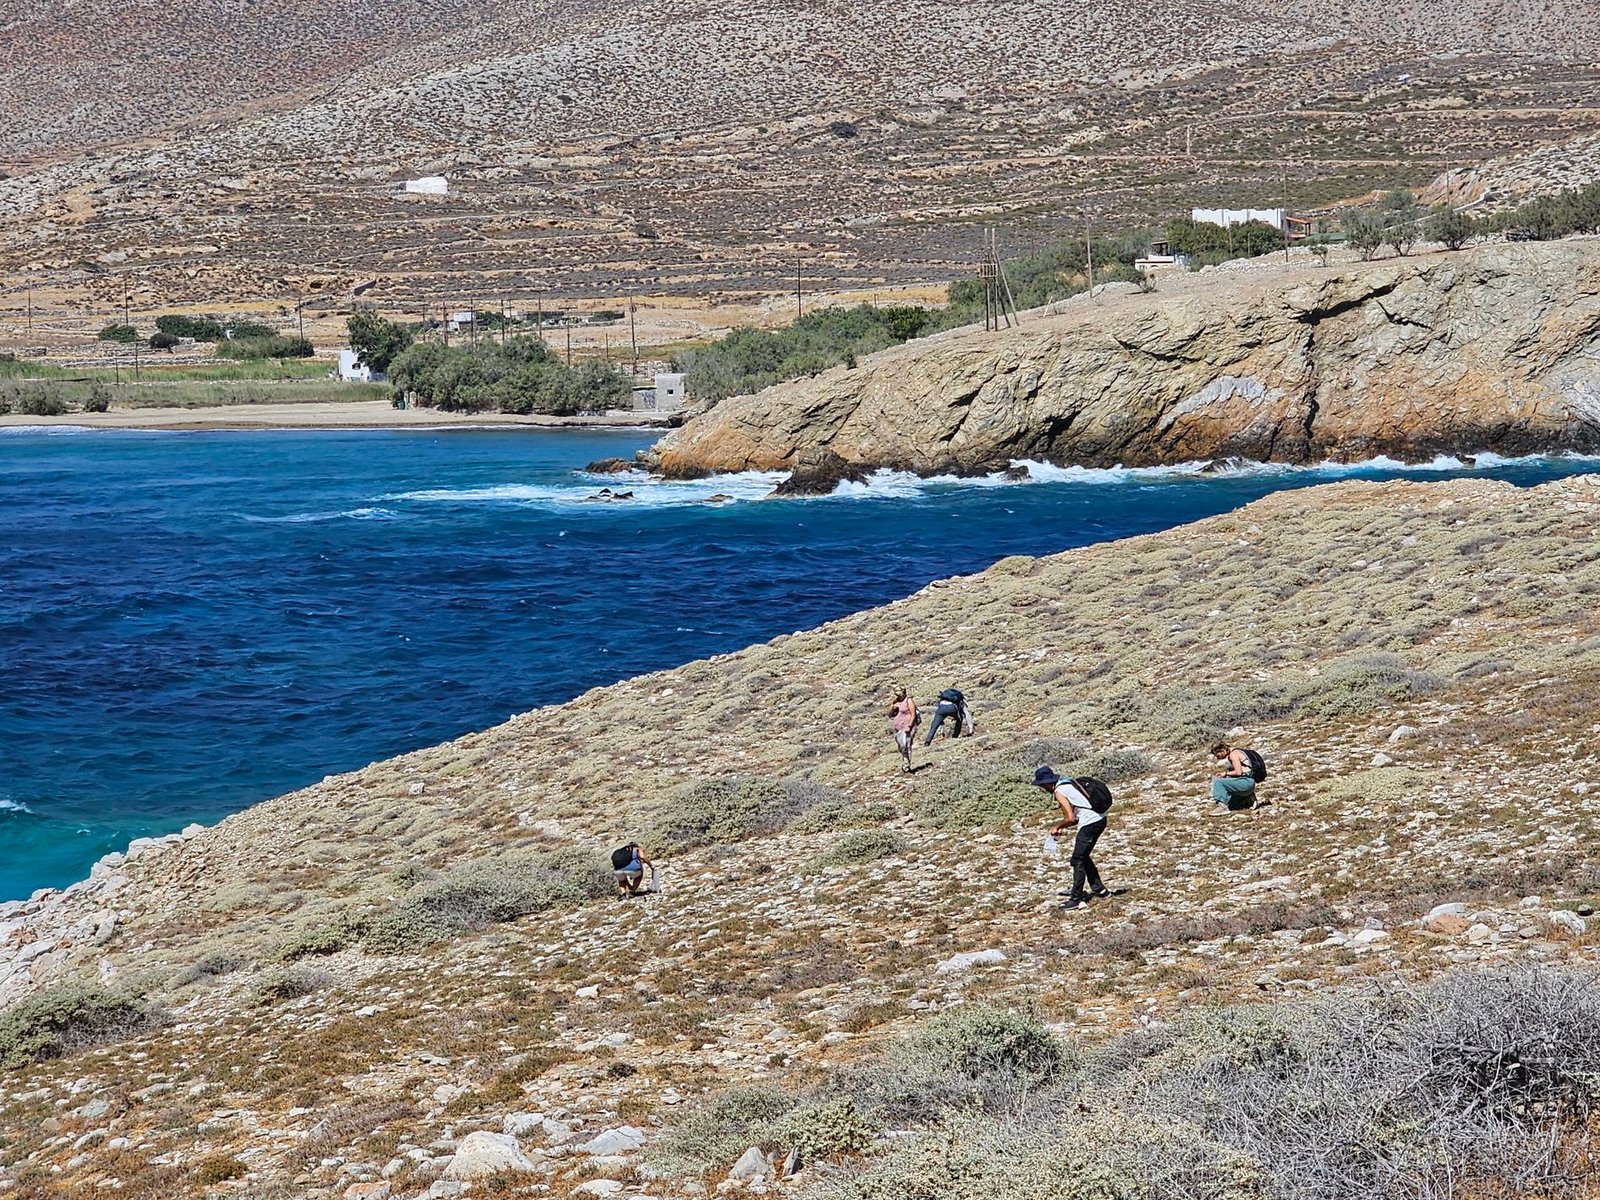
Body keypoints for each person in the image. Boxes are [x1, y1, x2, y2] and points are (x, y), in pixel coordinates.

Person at [1032, 766, 1111, 911]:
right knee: (1083, 856)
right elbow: (1075, 817)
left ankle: (1076, 898)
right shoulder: (1068, 784)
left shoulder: (1059, 791)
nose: (1043, 789)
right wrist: (1062, 826)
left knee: (1077, 859)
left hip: (1090, 823)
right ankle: (1100, 890)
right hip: (1100, 819)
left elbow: (1070, 818)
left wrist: (1057, 827)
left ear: (1047, 783)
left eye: (1042, 786)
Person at [1210, 741, 1261, 810]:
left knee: (1219, 782)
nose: (1218, 757)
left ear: (1221, 751)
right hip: (1248, 782)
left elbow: (1238, 772)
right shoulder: (1237, 752)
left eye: (1218, 755)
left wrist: (1225, 774)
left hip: (1246, 782)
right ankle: (1247, 799)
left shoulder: (1233, 754)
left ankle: (1222, 808)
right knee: (1231, 804)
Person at [888, 686, 919, 773]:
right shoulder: (895, 701)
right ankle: (905, 762)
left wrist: (909, 726)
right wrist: (892, 709)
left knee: (906, 746)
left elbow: (913, 714)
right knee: (901, 747)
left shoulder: (909, 701)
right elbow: (890, 715)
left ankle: (906, 766)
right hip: (898, 728)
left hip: (907, 727)